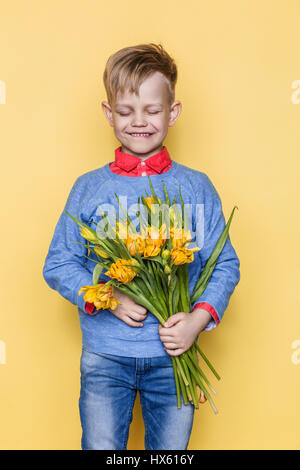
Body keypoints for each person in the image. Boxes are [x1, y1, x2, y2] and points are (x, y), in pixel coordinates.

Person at [42, 43, 240, 450]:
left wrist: (196, 321)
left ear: (173, 112)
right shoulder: (90, 188)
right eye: (126, 111)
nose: (139, 122)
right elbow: (59, 263)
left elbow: (224, 265)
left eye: (151, 110)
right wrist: (108, 297)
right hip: (104, 358)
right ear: (108, 112)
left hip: (173, 361)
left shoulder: (194, 187)